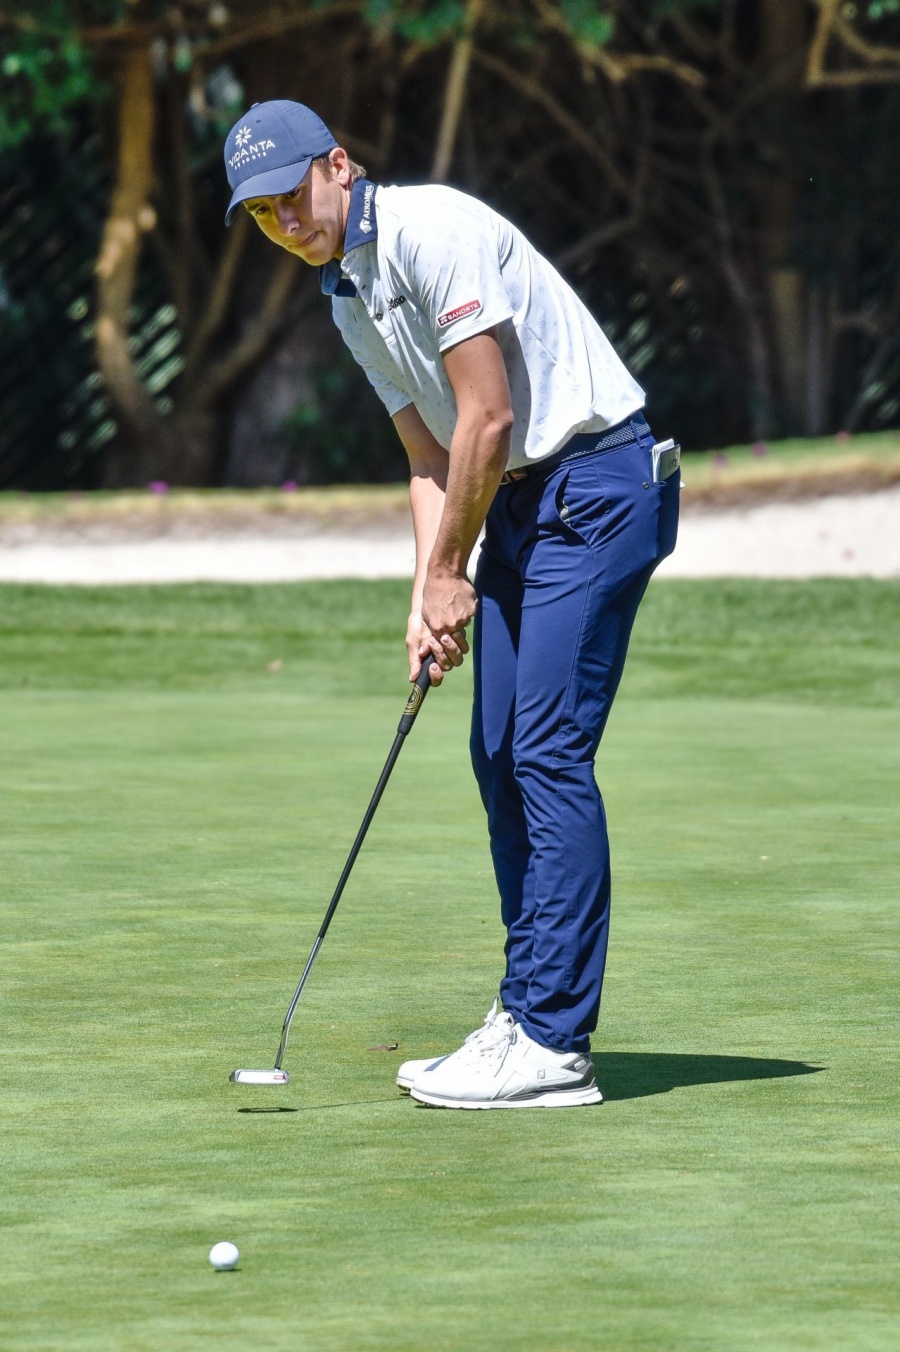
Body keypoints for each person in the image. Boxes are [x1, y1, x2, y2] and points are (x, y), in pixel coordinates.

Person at [223, 100, 680, 1109]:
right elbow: (430, 456)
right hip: (521, 502)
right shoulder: (350, 295)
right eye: (259, 215)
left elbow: (491, 412)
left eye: (290, 196)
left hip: (597, 485)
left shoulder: (433, 231)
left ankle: (555, 1040)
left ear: (338, 166)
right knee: (496, 751)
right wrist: (424, 591)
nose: (283, 223)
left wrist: (449, 569)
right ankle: (522, 1014)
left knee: (545, 748)